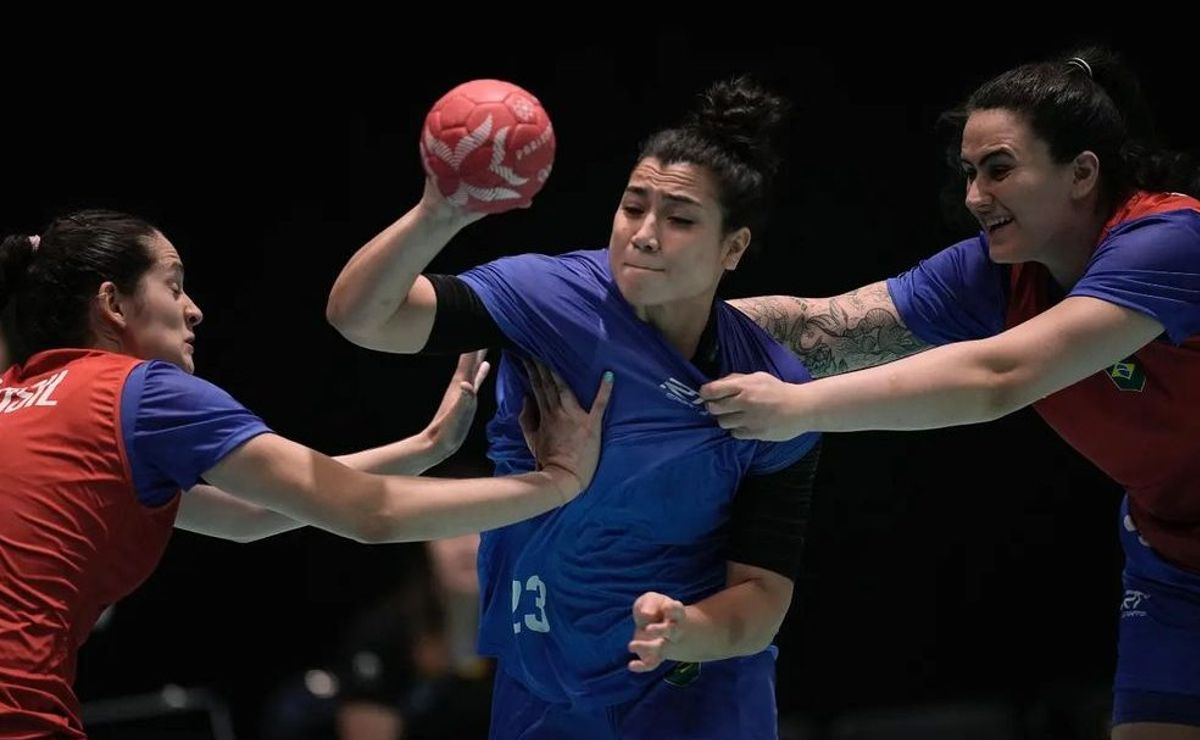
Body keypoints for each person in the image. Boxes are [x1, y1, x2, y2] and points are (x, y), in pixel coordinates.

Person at [698, 47, 1200, 738]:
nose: (973, 197)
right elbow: (819, 327)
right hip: (1173, 557)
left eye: (999, 169)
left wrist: (797, 408)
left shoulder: (1171, 240)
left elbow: (1000, 378)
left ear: (1082, 172)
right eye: (969, 173)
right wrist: (600, 315)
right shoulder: (999, 274)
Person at [326, 77, 821, 739]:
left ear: (733, 248)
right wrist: (438, 213)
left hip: (690, 685)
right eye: (633, 207)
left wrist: (682, 630)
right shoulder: (548, 301)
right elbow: (362, 317)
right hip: (545, 680)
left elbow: (762, 598)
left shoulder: (769, 389)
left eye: (679, 219)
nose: (644, 235)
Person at [0, 209, 611, 738]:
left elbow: (245, 517)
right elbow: (372, 515)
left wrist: (425, 447)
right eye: (175, 284)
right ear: (112, 303)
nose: (195, 309)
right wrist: (557, 482)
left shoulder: (22, 401)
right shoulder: (141, 393)